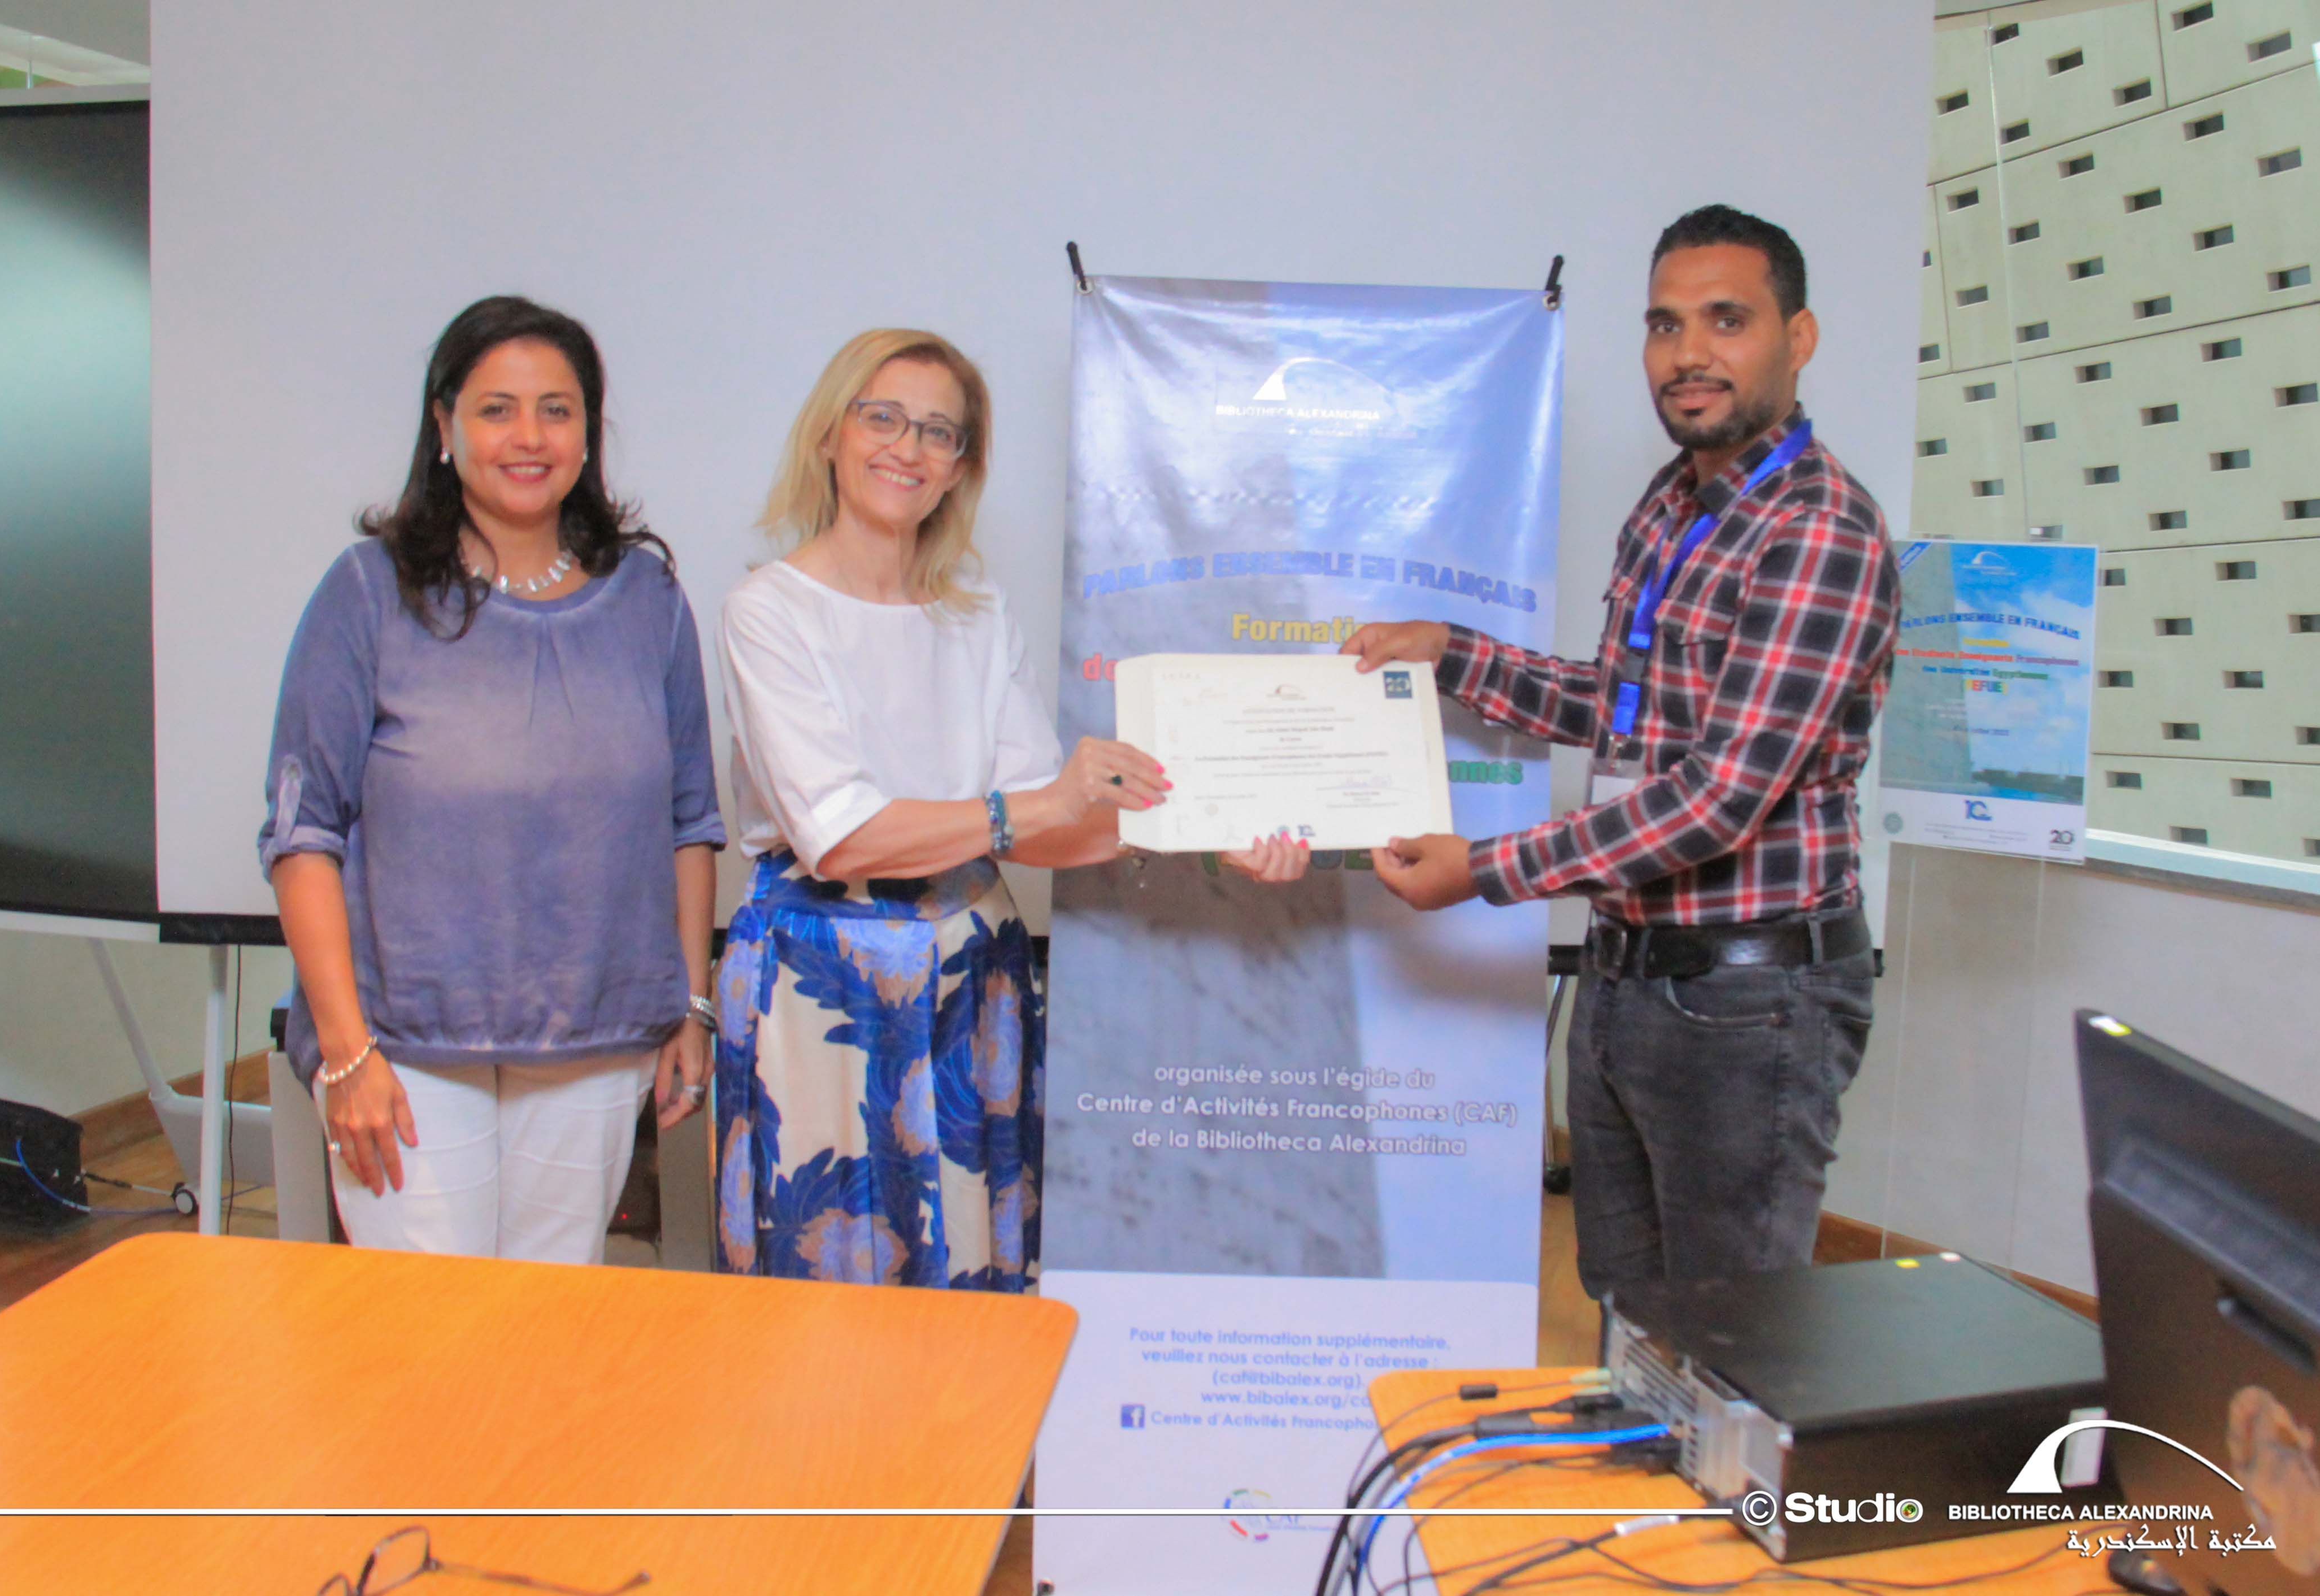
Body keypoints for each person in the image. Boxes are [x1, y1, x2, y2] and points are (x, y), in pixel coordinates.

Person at [1344, 205, 1898, 1299]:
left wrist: (1484, 870)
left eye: (1727, 320)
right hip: (1626, 976)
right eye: (1664, 324)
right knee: (1627, 1312)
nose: (1688, 353)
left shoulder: (1817, 528)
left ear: (1797, 338)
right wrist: (1453, 652)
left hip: (1748, 1001)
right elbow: (1631, 712)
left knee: (1731, 1338)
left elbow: (1717, 795)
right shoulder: (1671, 505)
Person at [714, 328, 1304, 1291]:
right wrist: (1027, 807)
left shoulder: (976, 612)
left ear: (960, 468)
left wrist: (1210, 835)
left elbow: (1047, 822)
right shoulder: (767, 609)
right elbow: (839, 835)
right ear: (830, 434)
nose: (907, 447)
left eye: (937, 432)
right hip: (820, 983)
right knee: (823, 1288)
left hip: (970, 974)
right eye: (882, 417)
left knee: (969, 1274)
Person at [260, 295, 727, 1263]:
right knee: (431, 1332)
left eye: (557, 410)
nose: (529, 436)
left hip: (595, 1039)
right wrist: (346, 1053)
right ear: (444, 428)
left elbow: (689, 823)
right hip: (400, 1048)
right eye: (496, 409)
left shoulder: (648, 599)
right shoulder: (367, 592)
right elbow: (302, 834)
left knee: (546, 1325)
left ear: (588, 434)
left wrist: (690, 1005)